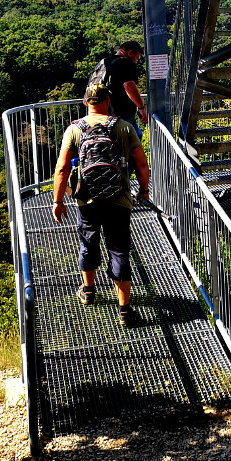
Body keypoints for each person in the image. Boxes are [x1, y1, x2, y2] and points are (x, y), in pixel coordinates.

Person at [52, 83, 151, 328]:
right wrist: (145, 191)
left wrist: (58, 201)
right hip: (119, 198)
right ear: (108, 101)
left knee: (88, 241)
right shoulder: (124, 127)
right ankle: (125, 310)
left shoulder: (74, 130)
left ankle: (88, 290)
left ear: (86, 102)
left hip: (87, 199)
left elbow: (62, 168)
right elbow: (141, 164)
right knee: (118, 250)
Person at [91, 40, 149, 141]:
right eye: (137, 57)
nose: (136, 61)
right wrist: (141, 108)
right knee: (132, 141)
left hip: (101, 114)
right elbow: (129, 85)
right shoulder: (125, 62)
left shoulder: (104, 62)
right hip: (120, 114)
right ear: (130, 53)